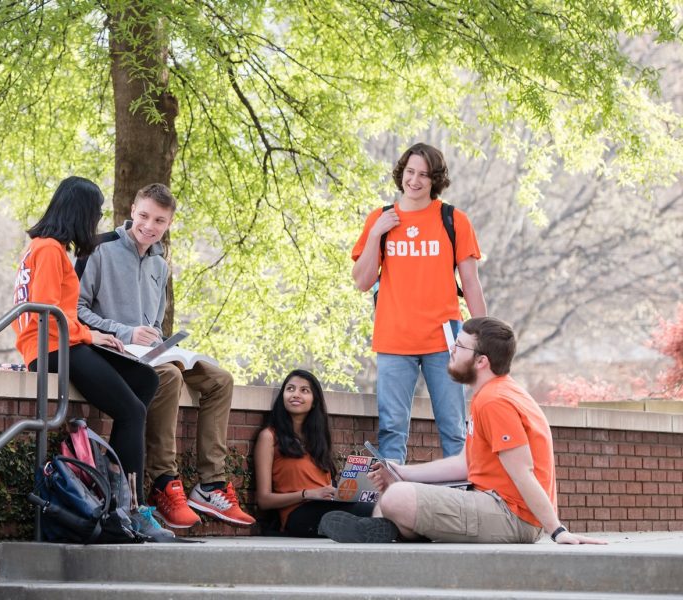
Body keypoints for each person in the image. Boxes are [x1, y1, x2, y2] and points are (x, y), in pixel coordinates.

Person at [318, 317, 607, 545]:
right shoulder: (493, 393)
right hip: (493, 504)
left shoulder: (496, 401)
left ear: (481, 361)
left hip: (512, 516)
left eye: (459, 346)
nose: (451, 351)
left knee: (397, 498)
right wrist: (402, 470)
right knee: (396, 490)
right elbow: (467, 464)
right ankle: (388, 530)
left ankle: (394, 530)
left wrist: (557, 531)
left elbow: (523, 471)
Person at [77, 183, 254, 528]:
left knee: (220, 380)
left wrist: (156, 335)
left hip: (150, 351)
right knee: (169, 375)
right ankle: (163, 483)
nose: (149, 225)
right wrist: (124, 331)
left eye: (159, 220)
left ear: (169, 223)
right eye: (144, 216)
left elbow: (154, 319)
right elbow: (76, 309)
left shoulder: (160, 263)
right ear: (132, 211)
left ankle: (210, 484)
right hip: (110, 348)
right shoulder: (99, 249)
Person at [13, 175, 170, 540]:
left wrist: (92, 335)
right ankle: (129, 510)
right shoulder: (50, 250)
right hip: (52, 348)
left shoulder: (41, 247)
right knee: (132, 411)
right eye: (95, 212)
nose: (96, 221)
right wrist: (90, 333)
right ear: (80, 211)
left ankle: (115, 490)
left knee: (145, 380)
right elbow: (50, 313)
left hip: (59, 343)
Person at [351, 142, 487, 463]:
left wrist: (484, 339)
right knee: (392, 429)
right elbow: (362, 280)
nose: (415, 180)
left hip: (445, 340)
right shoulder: (380, 219)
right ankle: (392, 505)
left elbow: (471, 284)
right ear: (401, 174)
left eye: (424, 175)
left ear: (434, 180)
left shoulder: (454, 220)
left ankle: (464, 501)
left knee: (454, 428)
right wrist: (375, 236)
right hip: (395, 339)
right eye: (410, 172)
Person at [253, 369, 373, 537]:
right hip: (297, 516)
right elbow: (263, 500)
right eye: (290, 389)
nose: (295, 394)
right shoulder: (269, 437)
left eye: (304, 390)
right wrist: (308, 494)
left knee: (377, 505)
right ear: (282, 396)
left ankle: (370, 529)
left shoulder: (318, 441)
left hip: (328, 508)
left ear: (314, 401)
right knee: (369, 511)